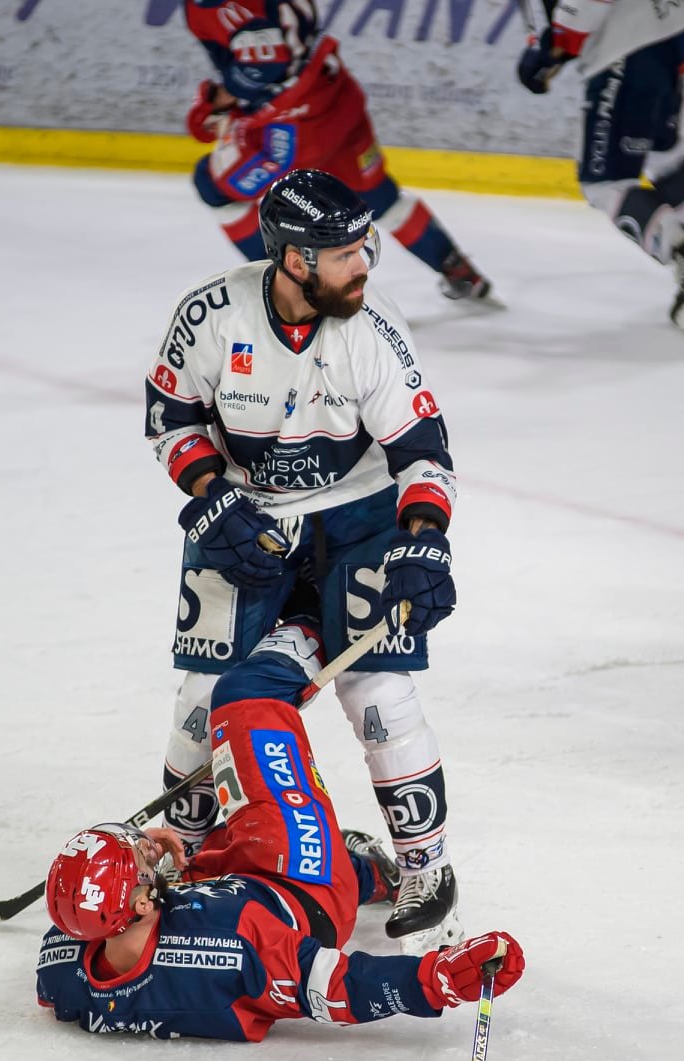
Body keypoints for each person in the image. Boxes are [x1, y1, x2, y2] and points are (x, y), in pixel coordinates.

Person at [146, 168, 466, 951]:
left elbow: (424, 453)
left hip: (357, 523)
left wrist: (424, 538)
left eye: (365, 246)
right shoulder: (212, 315)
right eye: (344, 253)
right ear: (293, 259)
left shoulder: (372, 330)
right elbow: (169, 416)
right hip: (242, 516)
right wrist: (210, 495)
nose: (364, 264)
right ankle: (179, 856)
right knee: (203, 697)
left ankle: (426, 864)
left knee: (377, 688)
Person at [36, 628, 524, 1042]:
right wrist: (438, 980)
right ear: (140, 905)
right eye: (139, 862)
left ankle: (362, 866)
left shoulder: (62, 969)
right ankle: (327, 609)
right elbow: (337, 987)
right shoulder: (236, 942)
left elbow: (106, 928)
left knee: (214, 835)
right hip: (302, 882)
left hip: (236, 889)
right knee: (244, 695)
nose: (145, 848)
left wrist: (162, 874)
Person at [182, 0, 494, 302]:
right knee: (377, 196)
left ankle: (297, 294)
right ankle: (460, 271)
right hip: (338, 99)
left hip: (291, 128)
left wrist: (222, 97)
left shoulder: (229, 7)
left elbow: (266, 65)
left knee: (214, 188)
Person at [515, 0, 684, 330]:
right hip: (669, 32)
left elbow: (573, 22)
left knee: (604, 184)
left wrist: (556, 44)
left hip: (625, 49)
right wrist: (545, 49)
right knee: (661, 151)